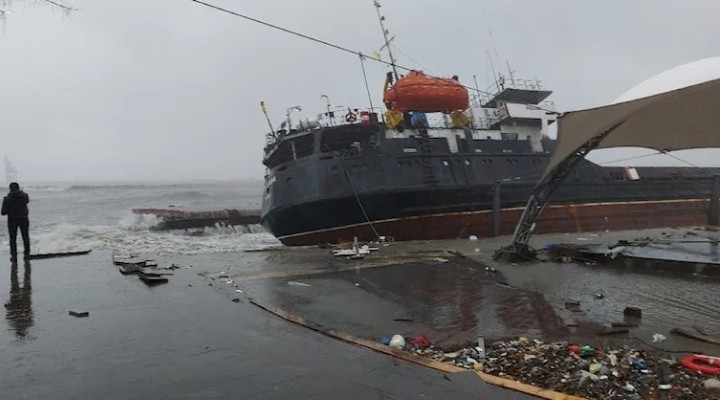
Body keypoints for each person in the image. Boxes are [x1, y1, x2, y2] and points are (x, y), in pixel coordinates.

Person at [1, 182, 30, 260]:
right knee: (25, 236)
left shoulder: (7, 199)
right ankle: (27, 254)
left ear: (10, 189)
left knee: (12, 238)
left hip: (12, 220)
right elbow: (27, 201)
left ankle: (14, 255)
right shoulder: (24, 196)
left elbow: (3, 212)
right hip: (24, 218)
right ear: (18, 188)